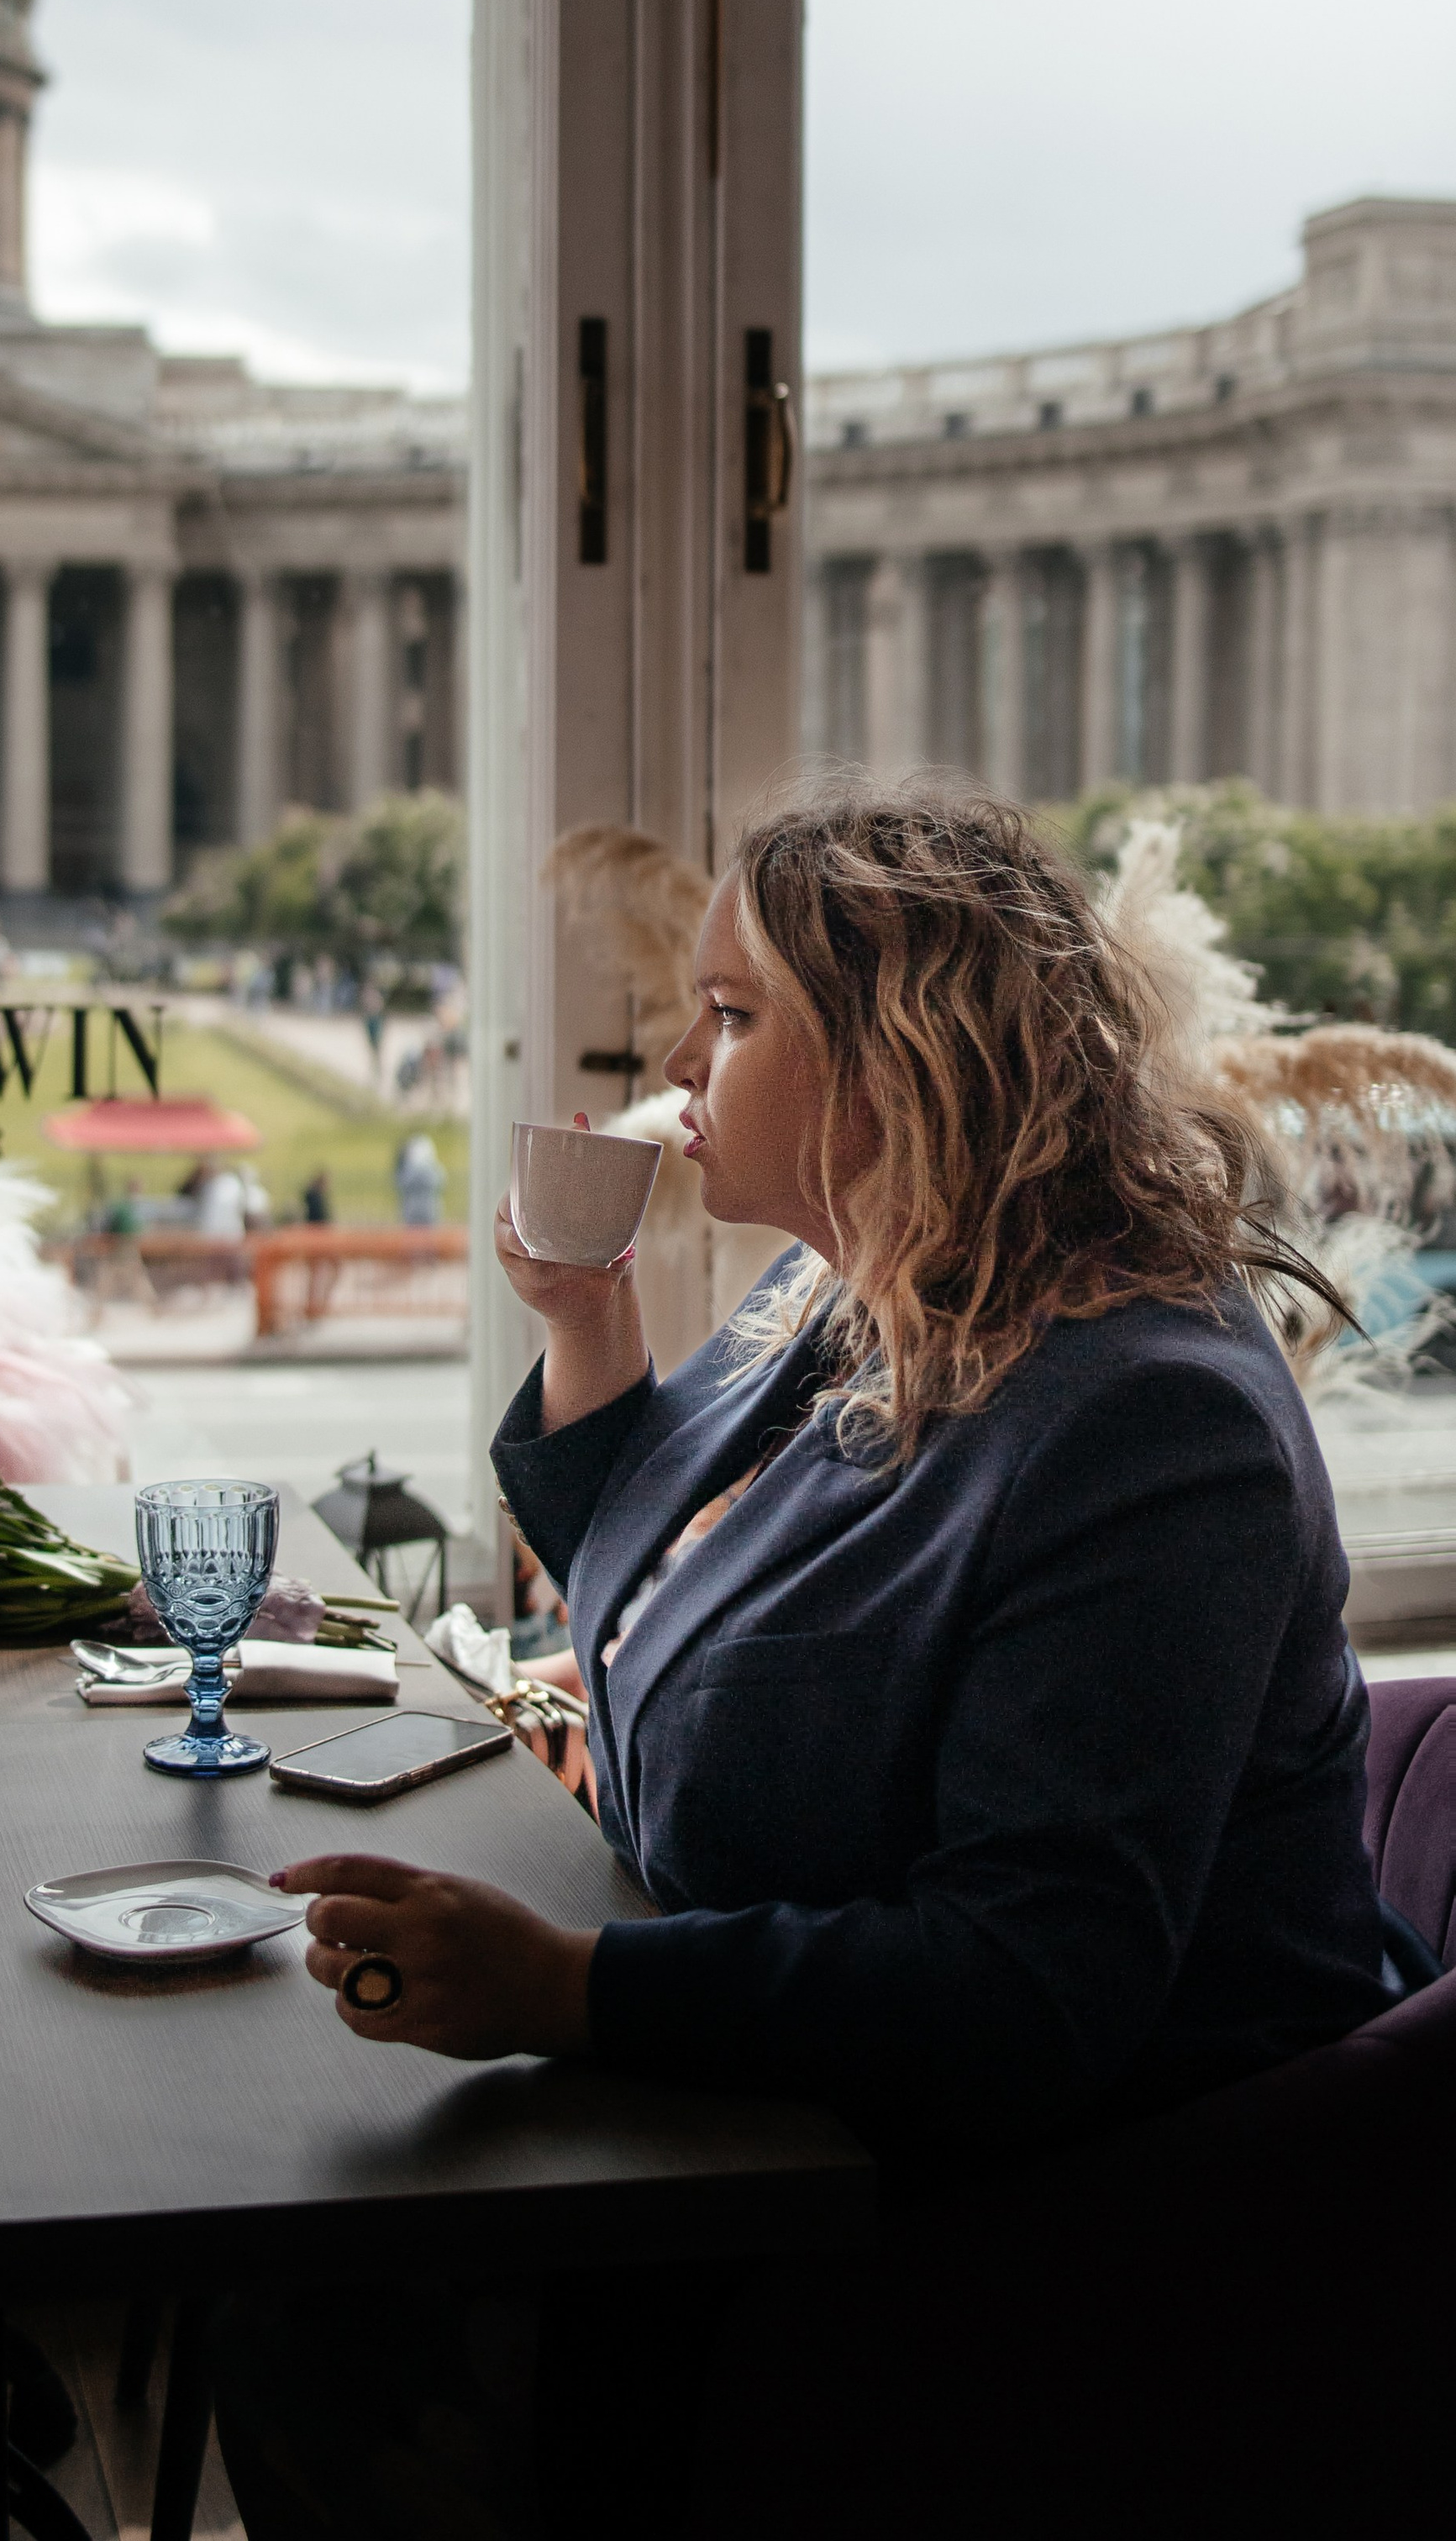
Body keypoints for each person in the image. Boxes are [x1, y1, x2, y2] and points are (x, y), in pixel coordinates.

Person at [216, 782, 1413, 2538]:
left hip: (1065, 2228)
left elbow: (1027, 1991)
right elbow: (648, 1594)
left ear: (894, 1058)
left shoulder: (1150, 1425)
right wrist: (587, 1322)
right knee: (309, 2245)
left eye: (733, 1012)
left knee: (332, 2293)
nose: (681, 1060)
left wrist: (570, 1992)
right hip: (781, 2100)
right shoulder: (854, 1290)